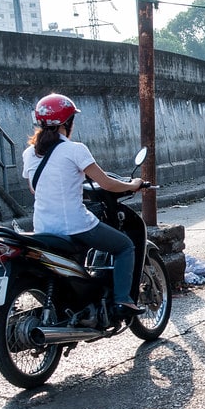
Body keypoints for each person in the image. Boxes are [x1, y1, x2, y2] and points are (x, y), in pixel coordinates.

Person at [21, 93, 144, 319]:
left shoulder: (30, 153)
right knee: (125, 246)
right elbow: (105, 182)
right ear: (67, 123)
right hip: (75, 226)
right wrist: (133, 184)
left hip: (43, 228)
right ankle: (123, 301)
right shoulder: (75, 149)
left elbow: (34, 189)